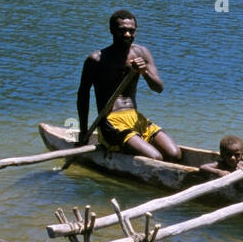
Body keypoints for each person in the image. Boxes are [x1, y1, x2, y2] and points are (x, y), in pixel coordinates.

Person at [76, 10, 181, 161]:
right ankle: (120, 148)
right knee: (155, 157)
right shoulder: (96, 60)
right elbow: (83, 96)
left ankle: (133, 146)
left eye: (131, 31)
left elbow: (158, 88)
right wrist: (83, 132)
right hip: (110, 121)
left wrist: (144, 72)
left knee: (174, 154)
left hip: (135, 117)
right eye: (122, 30)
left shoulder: (141, 52)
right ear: (112, 31)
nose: (127, 35)